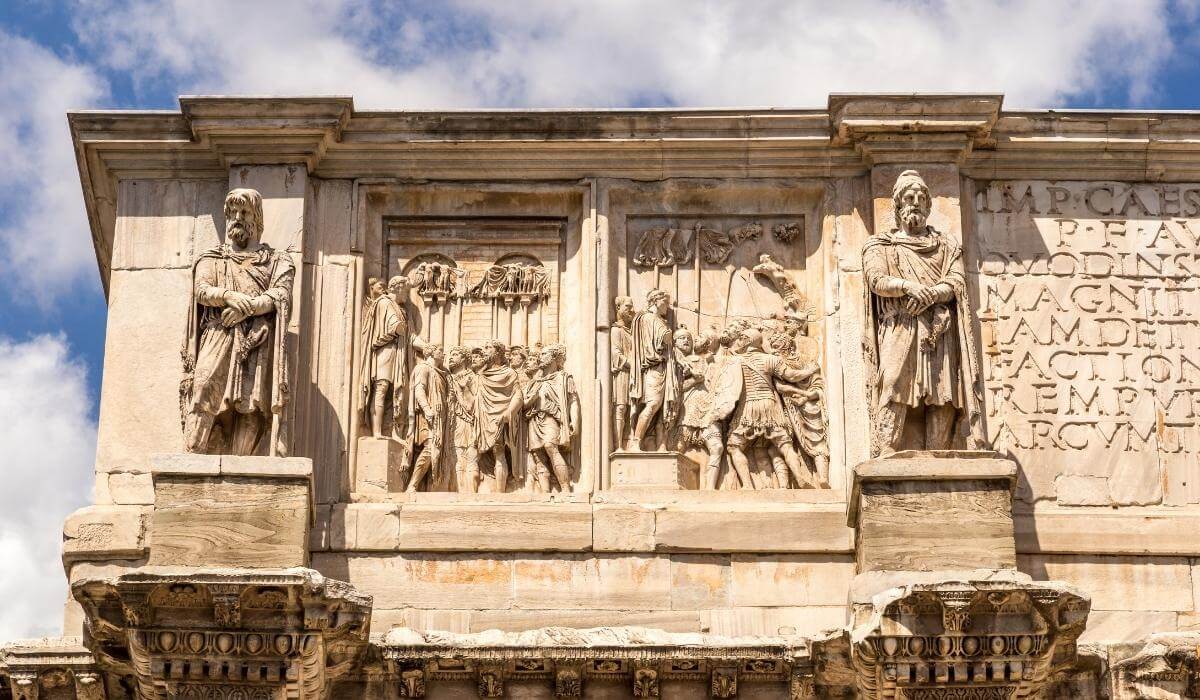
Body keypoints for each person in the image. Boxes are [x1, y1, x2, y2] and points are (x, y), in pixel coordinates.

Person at [863, 170, 984, 455]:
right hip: (899, 324)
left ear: (929, 206)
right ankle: (886, 451)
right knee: (892, 384)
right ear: (897, 206)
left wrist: (932, 295)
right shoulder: (880, 245)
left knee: (943, 392)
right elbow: (876, 279)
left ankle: (938, 454)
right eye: (909, 197)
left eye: (920, 198)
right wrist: (908, 287)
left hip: (938, 326)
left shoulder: (947, 245)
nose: (915, 202)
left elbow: (956, 281)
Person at [181, 188, 294, 456]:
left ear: (257, 219)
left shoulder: (277, 260)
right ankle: (192, 454)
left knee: (251, 403)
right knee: (204, 387)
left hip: (257, 337)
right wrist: (229, 296)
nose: (237, 218)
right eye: (233, 213)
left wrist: (251, 307)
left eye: (244, 212)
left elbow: (282, 292)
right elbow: (202, 289)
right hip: (218, 333)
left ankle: (242, 463)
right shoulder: (212, 257)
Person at [709, 328, 816, 490]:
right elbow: (792, 376)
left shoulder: (735, 360)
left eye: (743, 337)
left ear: (750, 340)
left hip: (748, 406)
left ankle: (747, 486)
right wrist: (810, 370)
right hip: (770, 405)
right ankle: (800, 478)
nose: (739, 340)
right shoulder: (770, 359)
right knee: (784, 445)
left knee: (734, 446)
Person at [358, 275, 412, 439]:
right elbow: (393, 325)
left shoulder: (395, 306)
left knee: (388, 391)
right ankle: (376, 432)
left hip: (394, 351)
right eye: (406, 291)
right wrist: (399, 327)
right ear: (398, 287)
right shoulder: (386, 302)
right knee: (381, 389)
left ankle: (385, 430)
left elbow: (406, 334)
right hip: (385, 351)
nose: (407, 296)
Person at [522, 344, 579, 492]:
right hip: (535, 419)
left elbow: (573, 401)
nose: (540, 356)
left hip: (551, 417)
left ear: (554, 357)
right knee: (538, 456)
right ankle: (545, 493)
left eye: (544, 354)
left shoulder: (563, 377)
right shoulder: (535, 382)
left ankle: (566, 488)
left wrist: (575, 422)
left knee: (550, 446)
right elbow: (525, 404)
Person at [673, 327, 724, 490]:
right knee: (679, 447)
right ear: (674, 342)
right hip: (687, 410)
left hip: (708, 409)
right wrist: (694, 380)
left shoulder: (704, 360)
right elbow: (673, 389)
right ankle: (676, 484)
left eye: (688, 337)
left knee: (717, 447)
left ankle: (709, 489)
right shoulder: (673, 362)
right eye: (681, 338)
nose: (686, 340)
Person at [627, 289, 678, 450]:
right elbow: (663, 338)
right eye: (665, 303)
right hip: (654, 367)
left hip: (660, 367)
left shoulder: (652, 318)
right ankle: (636, 441)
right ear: (656, 301)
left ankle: (659, 444)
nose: (667, 307)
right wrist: (671, 333)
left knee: (660, 407)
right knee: (653, 404)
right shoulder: (650, 318)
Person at [474, 340, 522, 491]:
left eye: (488, 347)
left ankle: (500, 493)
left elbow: (518, 395)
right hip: (483, 417)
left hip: (501, 415)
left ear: (498, 352)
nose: (484, 350)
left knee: (499, 450)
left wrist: (509, 412)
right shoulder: (481, 375)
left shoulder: (509, 373)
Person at [406, 345, 447, 492]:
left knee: (435, 450)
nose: (443, 353)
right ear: (431, 352)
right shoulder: (424, 368)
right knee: (430, 448)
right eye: (440, 350)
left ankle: (429, 486)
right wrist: (427, 409)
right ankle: (413, 485)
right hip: (427, 416)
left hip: (439, 417)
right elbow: (419, 389)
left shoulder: (441, 372)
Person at [445, 346, 480, 493]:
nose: (451, 357)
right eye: (450, 354)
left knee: (472, 455)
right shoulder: (447, 377)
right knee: (456, 457)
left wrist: (462, 390)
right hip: (453, 421)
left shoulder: (472, 377)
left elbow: (473, 405)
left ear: (465, 358)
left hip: (470, 421)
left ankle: (471, 493)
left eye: (456, 354)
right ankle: (458, 492)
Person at [609, 296, 635, 451]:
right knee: (621, 407)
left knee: (634, 408)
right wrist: (630, 363)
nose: (631, 310)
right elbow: (615, 353)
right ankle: (618, 445)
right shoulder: (616, 330)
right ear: (618, 308)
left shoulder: (631, 331)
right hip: (622, 373)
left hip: (634, 373)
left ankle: (632, 442)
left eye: (631, 307)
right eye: (628, 307)